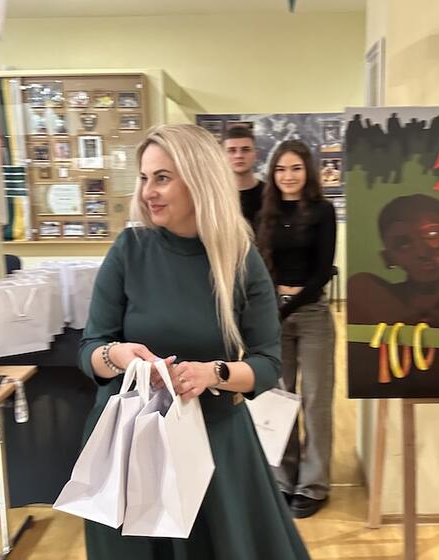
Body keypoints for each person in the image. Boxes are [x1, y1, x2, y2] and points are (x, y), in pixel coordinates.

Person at [78, 124, 310, 559]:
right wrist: (118, 356)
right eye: (144, 178)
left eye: (162, 178)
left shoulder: (239, 260)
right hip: (129, 444)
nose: (148, 191)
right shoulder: (130, 249)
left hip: (212, 443)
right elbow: (90, 350)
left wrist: (213, 374)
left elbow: (266, 364)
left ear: (199, 180)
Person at [256, 139, 337, 519]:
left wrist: (287, 306)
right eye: (281, 169)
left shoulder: (322, 211)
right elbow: (260, 265)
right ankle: (283, 479)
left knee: (316, 399)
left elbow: (322, 272)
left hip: (312, 312)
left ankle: (313, 484)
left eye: (295, 168)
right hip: (273, 313)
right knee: (279, 396)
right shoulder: (266, 213)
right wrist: (269, 308)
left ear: (308, 171)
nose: (288, 176)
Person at [347, 194, 439, 395]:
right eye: (403, 244)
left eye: (432, 234)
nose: (422, 252)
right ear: (388, 258)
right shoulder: (371, 295)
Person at [222, 125, 264, 231]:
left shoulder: (270, 193)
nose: (239, 155)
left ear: (256, 154)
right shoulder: (214, 196)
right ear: (222, 156)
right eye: (232, 150)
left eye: (245, 150)